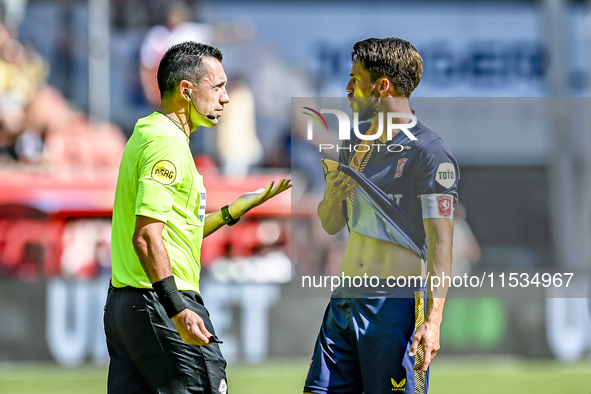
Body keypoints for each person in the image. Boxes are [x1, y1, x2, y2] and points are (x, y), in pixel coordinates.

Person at [104, 41, 291, 394]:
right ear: (187, 90)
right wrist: (177, 310)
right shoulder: (168, 144)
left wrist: (233, 211)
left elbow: (173, 232)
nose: (227, 97)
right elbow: (146, 236)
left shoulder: (147, 133)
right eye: (218, 86)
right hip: (160, 302)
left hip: (126, 305)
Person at [304, 38, 459, 394]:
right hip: (343, 303)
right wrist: (331, 198)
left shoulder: (429, 152)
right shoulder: (353, 143)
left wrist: (433, 322)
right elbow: (331, 223)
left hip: (395, 308)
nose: (347, 89)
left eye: (355, 79)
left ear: (382, 86)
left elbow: (441, 242)